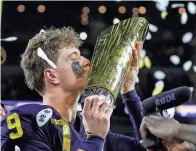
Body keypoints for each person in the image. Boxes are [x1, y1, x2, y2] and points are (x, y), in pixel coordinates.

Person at [1, 27, 145, 151]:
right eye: (74, 57)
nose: (87, 62)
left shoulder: (90, 129)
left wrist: (129, 90)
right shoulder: (27, 120)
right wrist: (94, 139)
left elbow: (150, 147)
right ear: (52, 75)